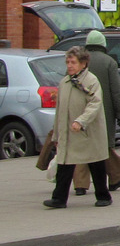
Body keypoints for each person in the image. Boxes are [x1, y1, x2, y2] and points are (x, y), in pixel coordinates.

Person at [44, 46, 112, 209]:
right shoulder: (65, 82)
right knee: (64, 165)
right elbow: (60, 112)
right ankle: (59, 199)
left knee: (96, 163)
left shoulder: (91, 81)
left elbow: (95, 103)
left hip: (88, 132)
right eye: (67, 62)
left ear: (83, 63)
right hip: (69, 133)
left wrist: (81, 121)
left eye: (73, 62)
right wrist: (57, 135)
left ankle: (103, 195)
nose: (69, 65)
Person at [72, 30, 120, 195]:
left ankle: (80, 185)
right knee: (105, 146)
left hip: (81, 111)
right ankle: (115, 178)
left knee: (82, 146)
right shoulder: (109, 62)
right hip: (104, 111)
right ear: (103, 45)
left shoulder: (78, 62)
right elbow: (117, 90)